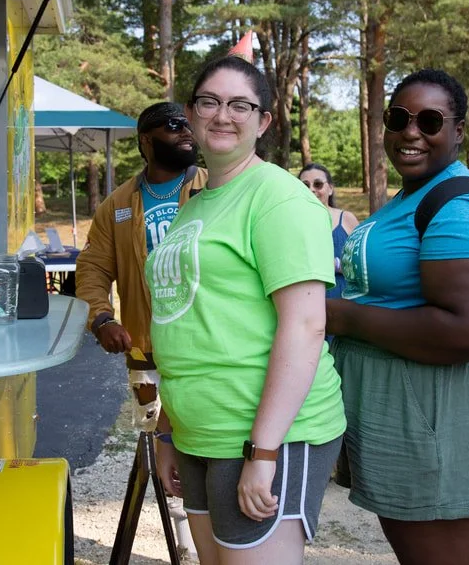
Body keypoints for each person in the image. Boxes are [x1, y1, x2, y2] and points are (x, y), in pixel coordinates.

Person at [148, 55, 346, 565]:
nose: (222, 115)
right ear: (190, 113)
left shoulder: (279, 199)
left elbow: (305, 326)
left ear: (263, 122)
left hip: (265, 433)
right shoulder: (195, 203)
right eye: (210, 102)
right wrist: (169, 429)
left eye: (240, 105)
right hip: (200, 430)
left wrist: (263, 451)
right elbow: (187, 319)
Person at [326, 68, 469, 565]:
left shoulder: (462, 204)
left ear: (457, 131)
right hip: (405, 401)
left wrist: (341, 317)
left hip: (443, 406)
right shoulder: (412, 195)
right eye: (399, 118)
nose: (412, 131)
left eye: (430, 120)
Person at [76, 102, 208, 418]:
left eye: (188, 124)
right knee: (153, 438)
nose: (187, 131)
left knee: (210, 441)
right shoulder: (117, 205)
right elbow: (92, 267)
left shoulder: (215, 187)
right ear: (146, 140)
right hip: (147, 350)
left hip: (208, 347)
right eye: (174, 125)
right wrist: (101, 319)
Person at [298, 163, 359, 299]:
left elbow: (364, 265)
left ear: (330, 189)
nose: (311, 189)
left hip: (345, 303)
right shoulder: (292, 223)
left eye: (318, 184)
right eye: (305, 185)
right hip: (306, 303)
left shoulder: (347, 219)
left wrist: (336, 264)